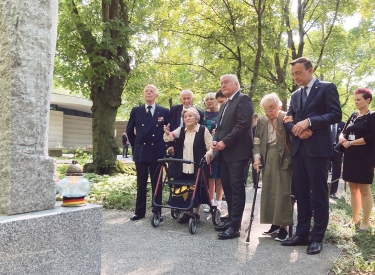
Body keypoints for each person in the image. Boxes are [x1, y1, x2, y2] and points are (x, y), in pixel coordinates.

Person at [282, 57, 342, 255]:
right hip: (299, 150)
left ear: (310, 70)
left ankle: (317, 238)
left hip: (318, 151)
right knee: (300, 194)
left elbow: (335, 115)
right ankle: (302, 234)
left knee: (318, 195)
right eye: (293, 74)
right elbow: (287, 119)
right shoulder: (295, 94)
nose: (295, 77)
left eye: (298, 73)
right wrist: (296, 129)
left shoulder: (326, 88)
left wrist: (309, 122)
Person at [212, 74, 254, 239]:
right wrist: (216, 142)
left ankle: (235, 227)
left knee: (236, 189)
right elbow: (220, 128)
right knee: (228, 188)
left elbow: (243, 124)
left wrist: (225, 142)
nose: (223, 85)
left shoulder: (243, 100)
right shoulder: (224, 104)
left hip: (238, 153)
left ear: (236, 84)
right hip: (224, 152)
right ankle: (231, 220)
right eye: (221, 83)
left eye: (226, 82)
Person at [126, 84, 171, 221]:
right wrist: (137, 146)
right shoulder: (136, 110)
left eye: (151, 91)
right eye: (146, 91)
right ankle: (139, 212)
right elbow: (129, 131)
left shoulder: (164, 111)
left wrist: (165, 145)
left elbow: (169, 131)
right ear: (143, 95)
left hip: (157, 152)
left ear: (156, 95)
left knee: (157, 183)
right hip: (141, 152)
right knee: (141, 183)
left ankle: (157, 211)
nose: (149, 93)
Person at [253, 93, 293, 242]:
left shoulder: (286, 117)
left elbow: (292, 139)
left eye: (272, 109)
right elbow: (256, 140)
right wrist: (257, 157)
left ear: (279, 107)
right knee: (269, 190)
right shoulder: (262, 121)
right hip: (267, 156)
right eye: (266, 110)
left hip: (283, 157)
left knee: (283, 191)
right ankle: (274, 223)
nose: (269, 113)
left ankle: (284, 227)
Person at [163, 107, 213, 223]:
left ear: (196, 118)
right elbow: (171, 136)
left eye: (190, 116)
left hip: (198, 165)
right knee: (185, 188)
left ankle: (195, 213)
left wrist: (209, 154)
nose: (187, 118)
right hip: (184, 165)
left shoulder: (203, 130)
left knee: (198, 188)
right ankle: (186, 212)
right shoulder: (181, 130)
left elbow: (210, 145)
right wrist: (167, 133)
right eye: (185, 117)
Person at [339, 88, 375, 232]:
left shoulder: (373, 116)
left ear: (368, 100)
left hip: (365, 157)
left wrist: (352, 143)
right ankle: (354, 219)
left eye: (359, 99)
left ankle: (365, 222)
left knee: (364, 189)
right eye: (355, 100)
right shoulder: (354, 115)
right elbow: (344, 130)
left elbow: (372, 137)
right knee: (353, 188)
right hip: (350, 156)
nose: (356, 102)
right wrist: (341, 138)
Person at [202, 92, 224, 213]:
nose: (209, 101)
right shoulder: (203, 115)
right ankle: (210, 201)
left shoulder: (223, 113)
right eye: (207, 99)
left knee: (220, 177)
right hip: (208, 149)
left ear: (216, 100)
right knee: (209, 176)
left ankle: (219, 203)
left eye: (212, 99)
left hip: (221, 148)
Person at [329, 121, 345, 199]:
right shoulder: (326, 122)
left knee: (336, 170)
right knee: (323, 170)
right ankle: (324, 190)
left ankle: (333, 192)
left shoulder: (343, 124)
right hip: (326, 149)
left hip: (338, 150)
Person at [251, 113, 259, 189]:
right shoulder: (256, 127)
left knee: (246, 166)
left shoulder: (250, 127)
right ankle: (255, 183)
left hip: (249, 147)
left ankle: (244, 181)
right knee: (255, 165)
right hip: (254, 147)